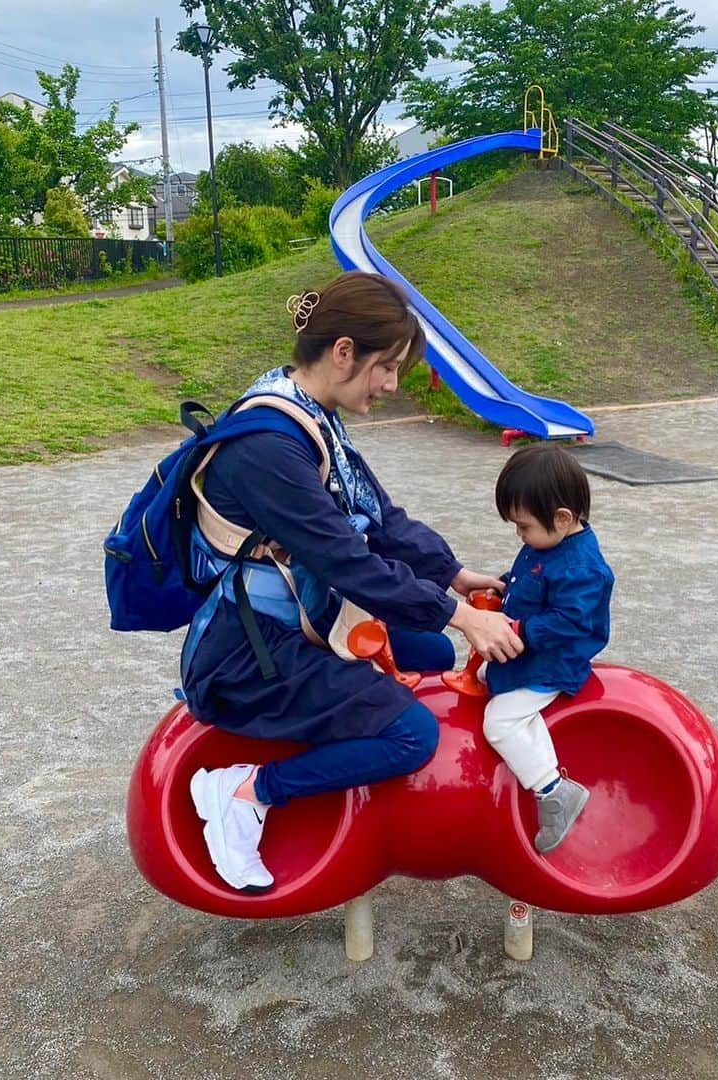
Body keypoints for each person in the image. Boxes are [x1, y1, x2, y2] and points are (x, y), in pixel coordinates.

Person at [182, 271, 523, 892]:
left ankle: (356, 721)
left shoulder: (312, 415)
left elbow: (378, 518)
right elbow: (349, 560)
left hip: (299, 619)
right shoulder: (268, 445)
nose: (393, 385)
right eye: (387, 368)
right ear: (344, 352)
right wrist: (465, 615)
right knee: (411, 735)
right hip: (247, 657)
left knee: (430, 650)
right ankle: (245, 793)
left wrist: (455, 576)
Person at [481, 443, 615, 854]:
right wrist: (503, 585)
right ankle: (544, 766)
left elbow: (571, 621)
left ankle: (553, 790)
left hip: (553, 662)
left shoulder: (581, 568)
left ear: (562, 518)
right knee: (486, 677)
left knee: (498, 721)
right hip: (532, 649)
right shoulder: (549, 542)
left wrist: (520, 627)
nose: (520, 535)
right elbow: (530, 576)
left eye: (523, 527)